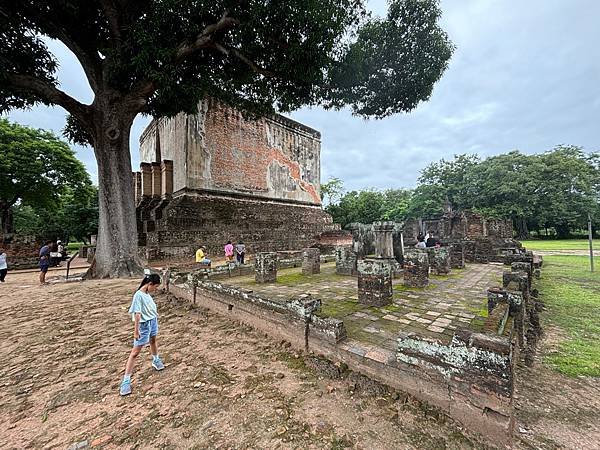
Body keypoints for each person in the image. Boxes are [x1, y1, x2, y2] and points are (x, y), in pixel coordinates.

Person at [119, 273, 165, 396]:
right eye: (155, 287)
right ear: (149, 284)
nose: (155, 290)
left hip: (152, 321)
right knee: (135, 352)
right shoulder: (138, 296)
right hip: (144, 325)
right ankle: (126, 380)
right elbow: (137, 314)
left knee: (153, 341)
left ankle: (156, 359)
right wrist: (136, 331)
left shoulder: (147, 294)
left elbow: (150, 307)